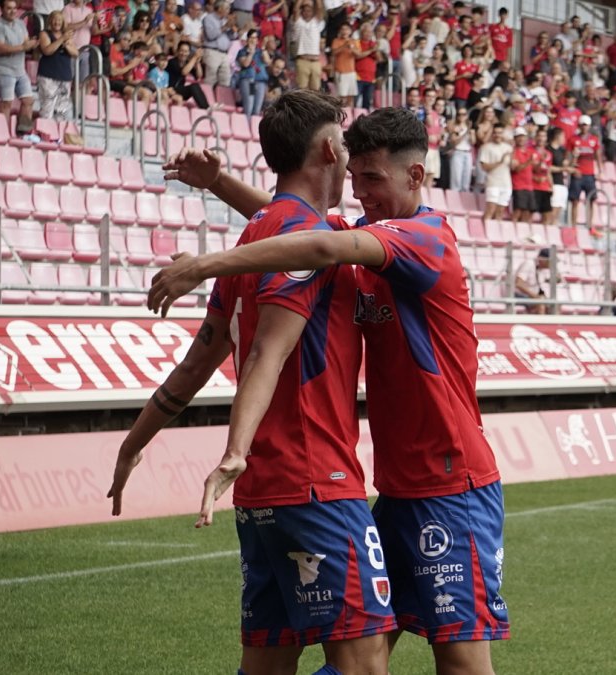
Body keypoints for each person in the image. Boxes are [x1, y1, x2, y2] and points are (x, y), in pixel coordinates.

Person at [147, 107, 510, 675]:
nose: (361, 194)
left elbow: (316, 246)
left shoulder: (423, 239)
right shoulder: (372, 239)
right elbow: (294, 224)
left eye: (374, 181)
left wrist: (207, 265)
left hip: (451, 482)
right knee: (364, 652)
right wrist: (218, 182)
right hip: (393, 489)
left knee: (459, 660)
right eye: (356, 177)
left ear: (415, 178)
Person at [107, 89, 395, 675]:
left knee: (267, 664)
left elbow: (196, 364)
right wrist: (234, 450)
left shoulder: (258, 237)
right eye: (344, 148)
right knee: (364, 662)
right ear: (331, 148)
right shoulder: (301, 242)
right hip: (315, 479)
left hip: (261, 495)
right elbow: (266, 347)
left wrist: (133, 442)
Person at [0, 0, 38, 135]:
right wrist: (22, 47)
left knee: (28, 100)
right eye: (9, 8)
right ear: (1, 9)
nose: (12, 11)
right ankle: (0, 133)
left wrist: (32, 44)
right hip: (3, 70)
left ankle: (22, 132)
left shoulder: (20, 24)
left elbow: (25, 42)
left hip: (20, 70)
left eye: (14, 8)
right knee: (7, 103)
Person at [37, 10, 79, 121]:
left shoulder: (66, 36)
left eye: (59, 20)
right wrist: (61, 40)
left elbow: (75, 53)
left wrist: (66, 45)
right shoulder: (44, 33)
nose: (57, 22)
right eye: (55, 19)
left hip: (64, 76)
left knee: (61, 111)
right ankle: (45, 134)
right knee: (47, 108)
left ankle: (57, 136)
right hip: (48, 75)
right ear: (50, 21)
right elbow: (47, 50)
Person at [512, 246, 552, 314]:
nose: (551, 264)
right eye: (550, 261)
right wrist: (535, 296)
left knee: (554, 305)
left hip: (532, 296)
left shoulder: (544, 270)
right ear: (542, 260)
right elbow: (518, 284)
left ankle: (553, 324)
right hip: (518, 295)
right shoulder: (529, 264)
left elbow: (539, 287)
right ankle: (540, 324)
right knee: (541, 303)